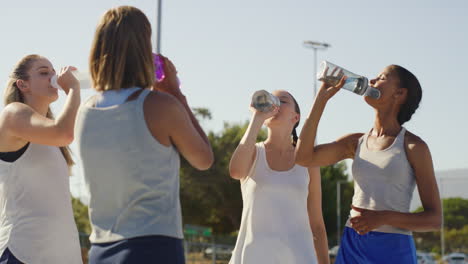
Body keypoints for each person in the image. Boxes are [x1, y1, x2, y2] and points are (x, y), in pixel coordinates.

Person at [75, 6, 214, 263]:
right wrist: (176, 93)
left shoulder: (84, 111)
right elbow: (204, 158)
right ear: (143, 49)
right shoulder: (160, 106)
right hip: (153, 246)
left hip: (101, 249)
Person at [296, 65, 442, 264]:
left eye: (381, 77)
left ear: (399, 93)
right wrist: (321, 100)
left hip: (393, 249)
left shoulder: (414, 146)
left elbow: (434, 220)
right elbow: (303, 157)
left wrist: (383, 217)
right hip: (353, 244)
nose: (372, 81)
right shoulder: (355, 142)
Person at [229, 90, 329, 264]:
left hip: (299, 258)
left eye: (282, 101)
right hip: (253, 257)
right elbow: (235, 171)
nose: (274, 104)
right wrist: (257, 118)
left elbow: (317, 223)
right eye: (271, 99)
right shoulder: (253, 152)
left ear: (295, 117)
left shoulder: (308, 160)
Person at [0, 54, 82, 263]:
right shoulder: (12, 114)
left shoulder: (52, 139)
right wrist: (73, 89)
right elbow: (64, 132)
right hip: (23, 254)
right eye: (44, 73)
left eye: (54, 73)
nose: (53, 77)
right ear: (23, 84)